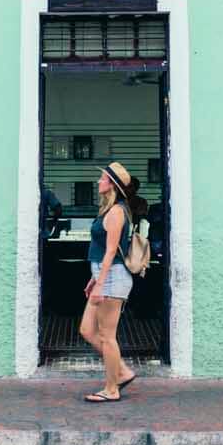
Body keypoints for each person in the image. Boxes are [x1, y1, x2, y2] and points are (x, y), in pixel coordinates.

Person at [79, 160, 147, 402]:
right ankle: (123, 371)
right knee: (87, 330)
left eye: (103, 179)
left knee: (107, 336)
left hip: (113, 278)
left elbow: (110, 252)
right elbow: (102, 250)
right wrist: (93, 278)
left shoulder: (117, 212)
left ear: (112, 185)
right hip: (103, 276)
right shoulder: (108, 211)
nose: (99, 181)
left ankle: (111, 388)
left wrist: (100, 282)